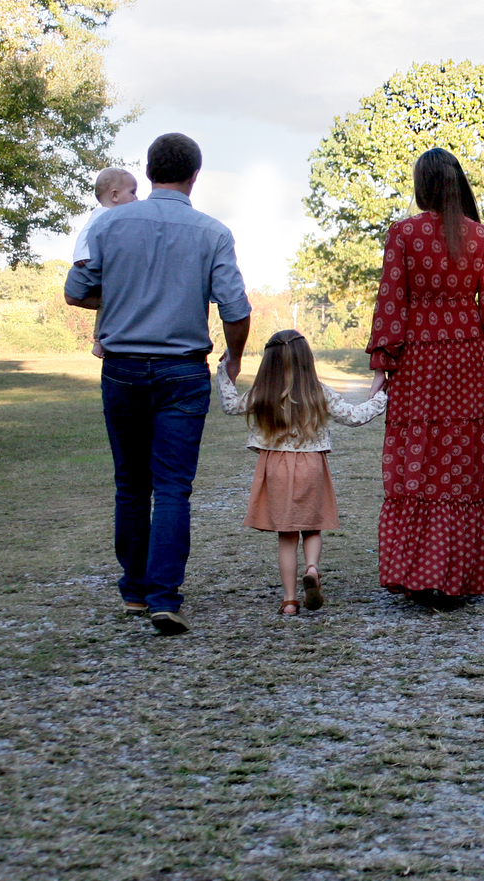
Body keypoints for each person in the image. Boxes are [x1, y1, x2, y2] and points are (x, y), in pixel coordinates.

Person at [64, 134, 251, 636]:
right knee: (172, 487)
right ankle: (165, 597)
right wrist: (233, 356)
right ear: (195, 176)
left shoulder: (109, 224)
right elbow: (235, 309)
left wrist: (122, 296)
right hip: (183, 370)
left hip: (122, 366)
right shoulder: (213, 233)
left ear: (147, 173)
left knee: (131, 482)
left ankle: (134, 589)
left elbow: (75, 291)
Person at [366, 148, 484, 609]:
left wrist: (383, 363)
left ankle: (416, 574)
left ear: (422, 185)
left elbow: (391, 302)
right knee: (461, 467)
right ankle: (454, 576)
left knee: (416, 461)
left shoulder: (403, 234)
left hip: (417, 361)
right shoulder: (481, 236)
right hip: (468, 361)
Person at [216, 330, 387, 616]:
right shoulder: (317, 391)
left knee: (286, 535)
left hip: (275, 468)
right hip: (311, 466)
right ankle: (312, 568)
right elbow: (355, 416)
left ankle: (289, 600)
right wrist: (381, 397)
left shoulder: (262, 391)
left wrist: (224, 371)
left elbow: (231, 405)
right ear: (307, 359)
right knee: (312, 526)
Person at [72, 167, 139, 358]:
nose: (136, 197)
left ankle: (101, 341)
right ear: (115, 195)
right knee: (106, 302)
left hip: (107, 271)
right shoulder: (103, 215)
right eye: (132, 192)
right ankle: (99, 341)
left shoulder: (114, 217)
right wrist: (80, 256)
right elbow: (85, 236)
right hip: (95, 268)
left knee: (108, 303)